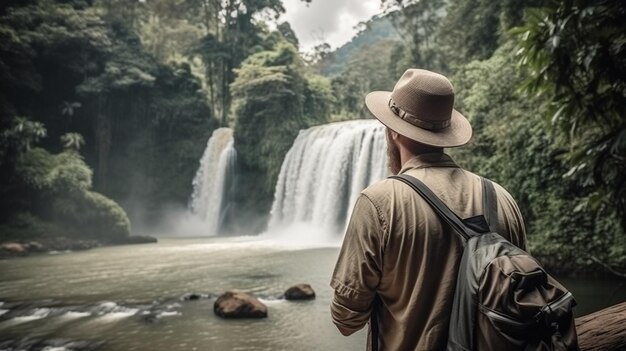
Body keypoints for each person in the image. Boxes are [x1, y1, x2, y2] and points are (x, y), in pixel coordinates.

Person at [330, 69, 527, 350]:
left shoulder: (379, 202)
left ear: (393, 130)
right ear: (446, 131)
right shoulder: (501, 198)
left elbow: (345, 319)